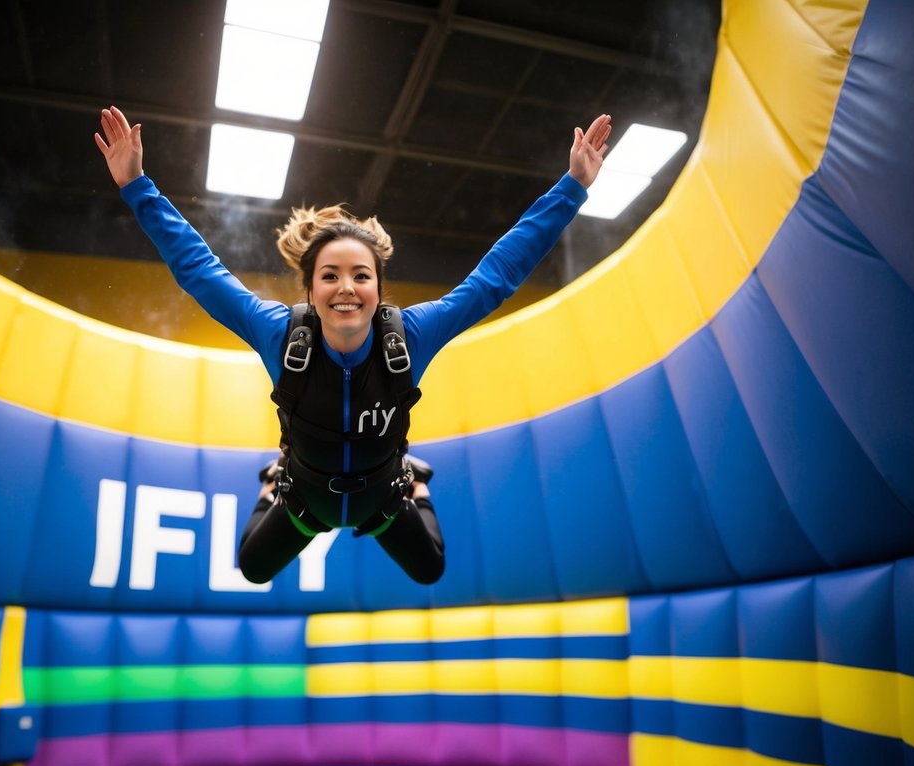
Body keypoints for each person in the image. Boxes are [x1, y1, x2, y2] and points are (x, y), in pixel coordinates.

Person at [96, 107, 611, 585]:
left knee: (430, 569)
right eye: (330, 276)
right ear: (311, 290)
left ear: (378, 290)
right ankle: (273, 477)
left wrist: (573, 187)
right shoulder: (279, 334)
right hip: (306, 500)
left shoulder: (410, 337)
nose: (346, 287)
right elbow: (199, 271)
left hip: (380, 498)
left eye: (361, 275)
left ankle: (418, 480)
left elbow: (494, 278)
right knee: (252, 568)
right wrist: (137, 186)